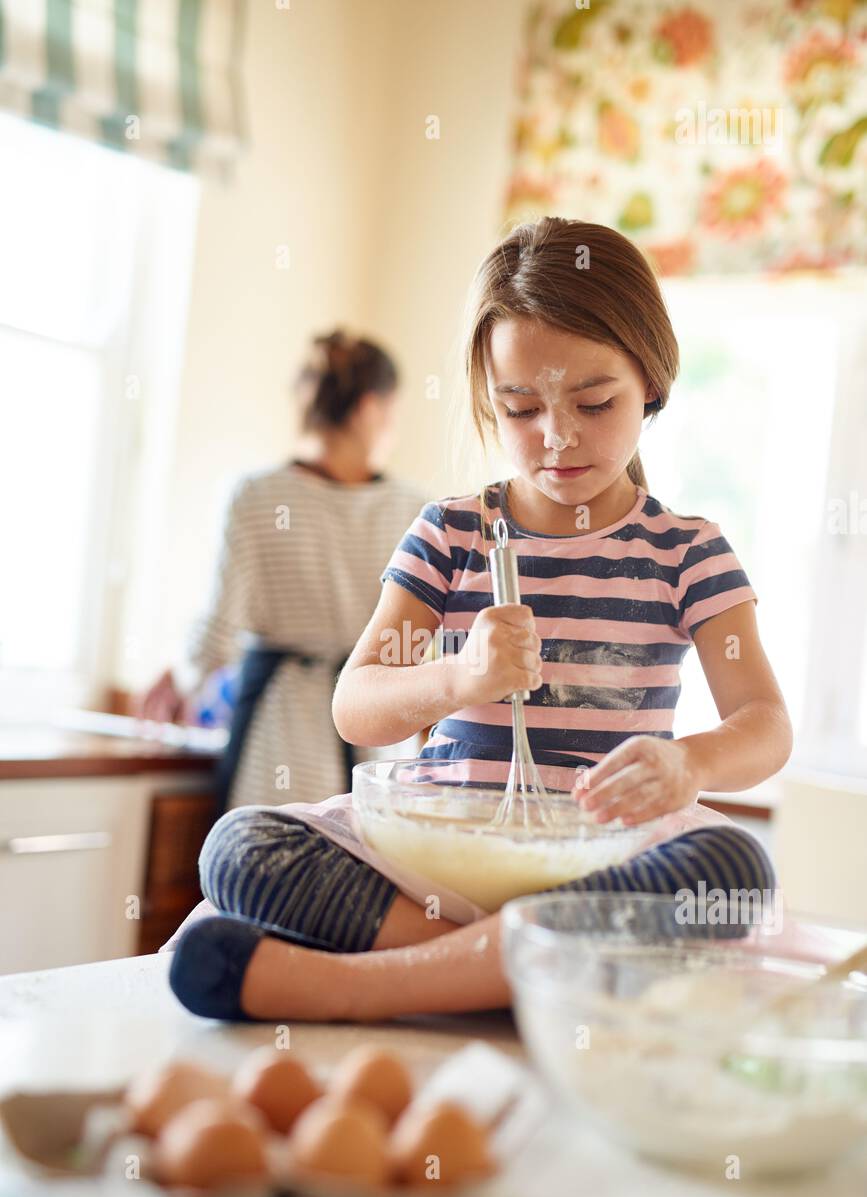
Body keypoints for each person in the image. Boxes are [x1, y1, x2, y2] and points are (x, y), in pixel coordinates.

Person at [166, 219, 792, 1022]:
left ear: (652, 383)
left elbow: (764, 723)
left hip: (596, 859)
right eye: (519, 407)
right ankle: (516, 965)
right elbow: (356, 701)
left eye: (594, 402)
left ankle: (362, 987)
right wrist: (459, 676)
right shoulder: (451, 531)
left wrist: (691, 767)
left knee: (730, 868)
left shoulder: (687, 551)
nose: (556, 437)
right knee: (242, 847)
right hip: (439, 854)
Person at [139, 330, 424, 810]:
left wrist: (180, 676)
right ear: (371, 409)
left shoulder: (254, 495)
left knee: (271, 874)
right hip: (381, 741)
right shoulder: (416, 510)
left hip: (282, 740)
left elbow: (216, 633)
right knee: (368, 876)